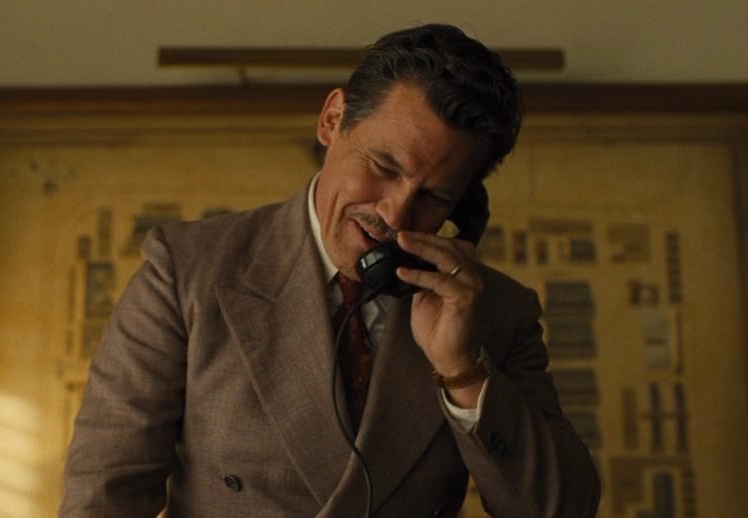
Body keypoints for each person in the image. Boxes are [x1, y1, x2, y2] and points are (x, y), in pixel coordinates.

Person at [61, 23, 600, 517]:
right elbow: (103, 497)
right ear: (332, 119)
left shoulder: (497, 312)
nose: (395, 214)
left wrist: (462, 371)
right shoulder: (187, 272)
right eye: (383, 166)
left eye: (435, 197)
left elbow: (562, 511)